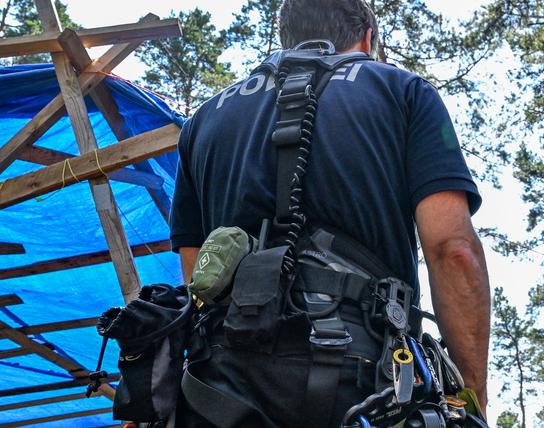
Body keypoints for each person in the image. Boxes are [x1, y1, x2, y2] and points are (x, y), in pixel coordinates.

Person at [168, 0, 490, 423]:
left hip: (221, 384)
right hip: (362, 380)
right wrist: (472, 397)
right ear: (367, 39)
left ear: (286, 37)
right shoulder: (404, 92)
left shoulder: (203, 121)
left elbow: (197, 274)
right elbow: (453, 249)